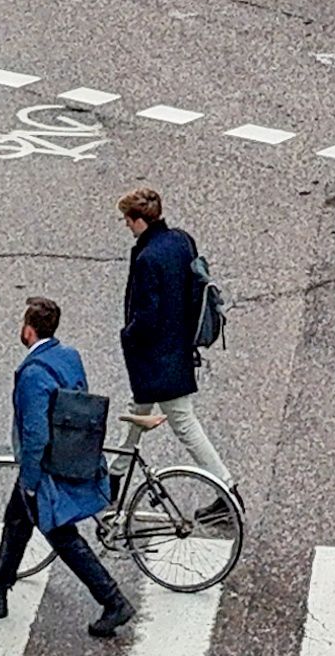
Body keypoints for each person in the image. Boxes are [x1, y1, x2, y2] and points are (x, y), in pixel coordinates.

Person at [0, 297, 135, 635]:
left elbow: (35, 432)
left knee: (62, 536)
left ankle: (114, 601)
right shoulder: (68, 356)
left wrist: (30, 480)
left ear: (28, 329)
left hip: (43, 467)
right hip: (66, 456)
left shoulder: (33, 374)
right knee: (16, 519)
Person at [118, 188, 234, 499]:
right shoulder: (181, 240)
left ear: (139, 220)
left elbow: (146, 316)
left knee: (183, 423)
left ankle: (227, 489)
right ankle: (114, 478)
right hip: (178, 347)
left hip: (158, 357)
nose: (126, 226)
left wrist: (127, 335)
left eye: (127, 221)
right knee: (136, 412)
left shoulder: (147, 258)